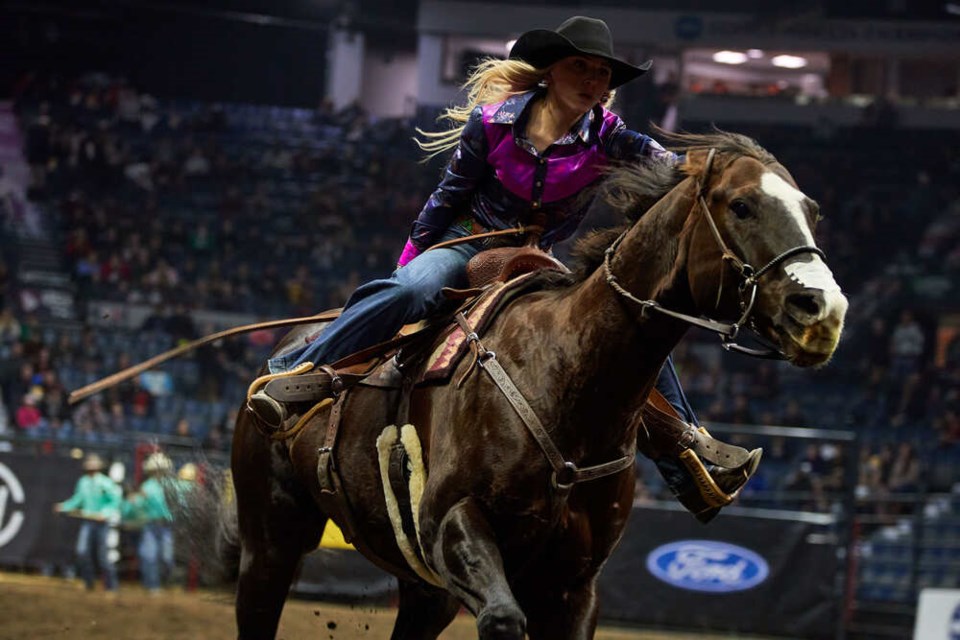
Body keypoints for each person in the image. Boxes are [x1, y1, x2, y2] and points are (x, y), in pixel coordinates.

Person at [248, 16, 760, 521]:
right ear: (550, 72)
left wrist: (713, 171)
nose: (592, 82)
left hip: (537, 259)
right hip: (468, 240)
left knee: (625, 322)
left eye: (602, 74)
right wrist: (412, 264)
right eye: (580, 68)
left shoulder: (609, 134)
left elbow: (665, 164)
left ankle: (690, 458)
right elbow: (445, 199)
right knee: (409, 291)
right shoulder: (492, 122)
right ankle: (294, 375)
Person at [54, 453, 122, 593]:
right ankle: (88, 582)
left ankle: (112, 586)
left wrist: (105, 513)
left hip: (101, 523)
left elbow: (115, 500)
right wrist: (64, 506)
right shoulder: (83, 482)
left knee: (103, 556)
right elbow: (77, 500)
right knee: (82, 552)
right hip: (88, 522)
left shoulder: (105, 482)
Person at [124, 452, 175, 593]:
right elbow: (140, 504)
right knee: (150, 556)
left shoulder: (170, 485)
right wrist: (134, 501)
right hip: (152, 525)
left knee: (166, 558)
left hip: (165, 525)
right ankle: (153, 586)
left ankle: (160, 583)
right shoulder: (147, 486)